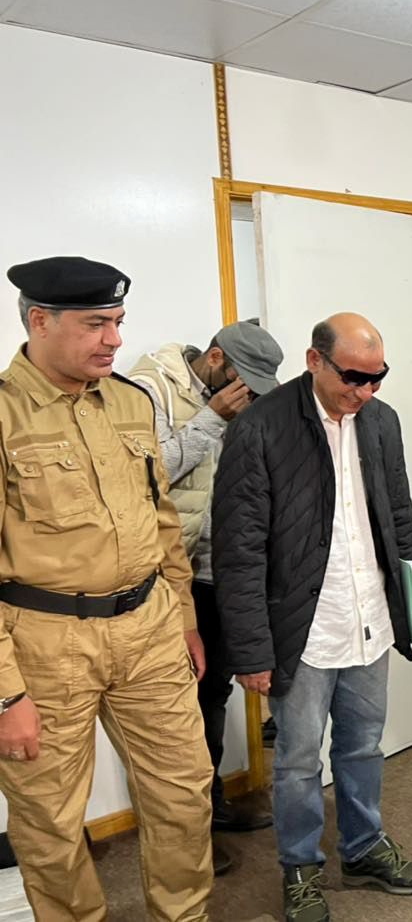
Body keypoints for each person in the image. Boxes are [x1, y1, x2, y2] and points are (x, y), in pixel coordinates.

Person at [0, 256, 213, 918]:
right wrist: (5, 694)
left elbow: (162, 519)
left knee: (184, 792)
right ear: (40, 321)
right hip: (45, 645)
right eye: (96, 324)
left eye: (118, 321)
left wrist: (183, 619)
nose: (115, 339)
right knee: (51, 823)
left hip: (149, 627)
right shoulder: (4, 414)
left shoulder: (127, 401)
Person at [213, 313, 412, 922]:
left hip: (370, 615)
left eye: (377, 378)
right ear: (315, 361)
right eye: (354, 377)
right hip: (301, 624)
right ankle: (300, 868)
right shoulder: (261, 427)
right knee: (298, 759)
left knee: (363, 746)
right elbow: (238, 549)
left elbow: (400, 514)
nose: (366, 391)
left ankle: (363, 848)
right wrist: (251, 649)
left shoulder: (381, 421)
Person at [130, 319, 283, 874]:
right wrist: (212, 418)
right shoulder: (148, 387)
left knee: (212, 694)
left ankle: (210, 807)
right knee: (175, 709)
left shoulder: (238, 401)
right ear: (216, 359)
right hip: (167, 576)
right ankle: (185, 834)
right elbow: (145, 474)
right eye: (244, 381)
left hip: (218, 570)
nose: (248, 395)